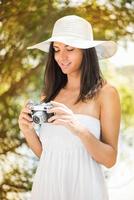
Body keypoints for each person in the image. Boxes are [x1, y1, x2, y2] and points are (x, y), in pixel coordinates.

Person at [18, 15, 121, 200]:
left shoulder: (106, 94)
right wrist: (27, 131)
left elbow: (110, 159)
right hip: (47, 187)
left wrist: (78, 128)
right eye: (56, 49)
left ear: (86, 52)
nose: (61, 57)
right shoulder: (49, 94)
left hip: (85, 189)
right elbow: (48, 154)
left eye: (70, 49)